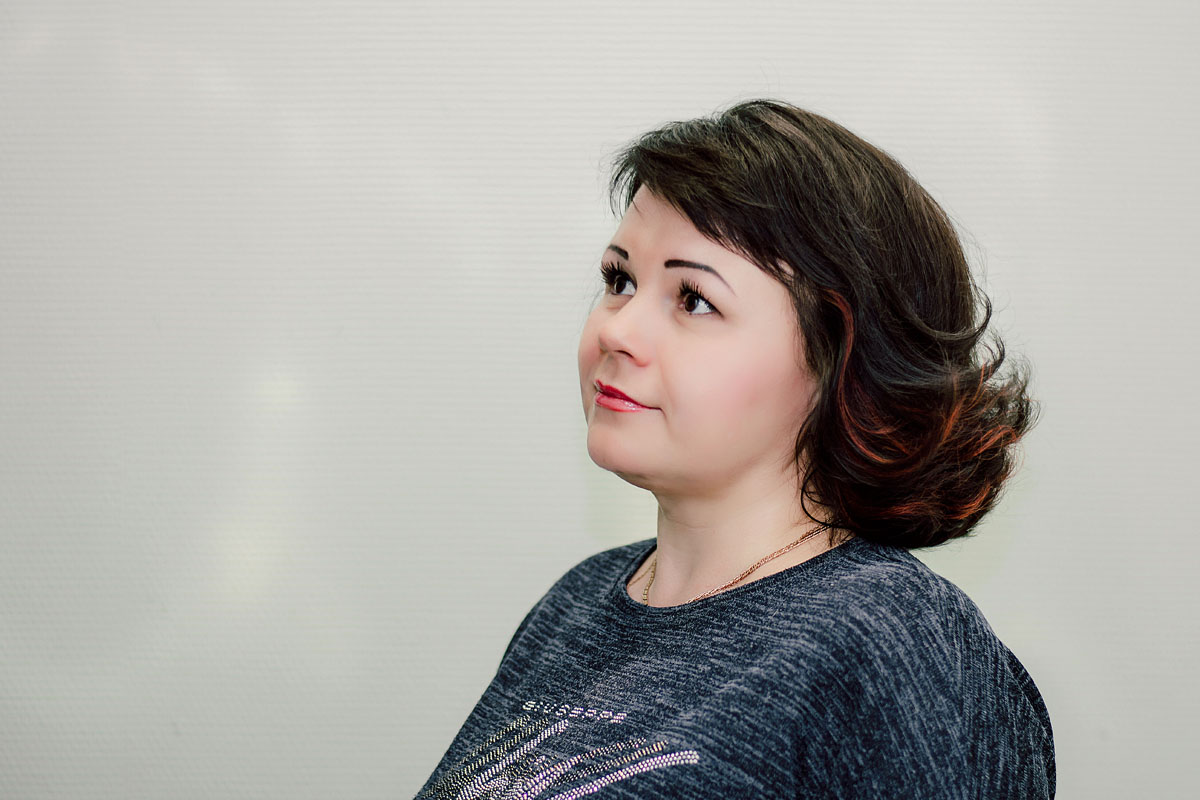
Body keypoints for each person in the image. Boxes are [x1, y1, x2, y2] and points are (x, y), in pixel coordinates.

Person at [415, 99, 1055, 799]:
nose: (617, 331)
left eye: (694, 299)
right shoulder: (575, 605)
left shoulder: (891, 636)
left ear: (839, 360)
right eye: (619, 281)